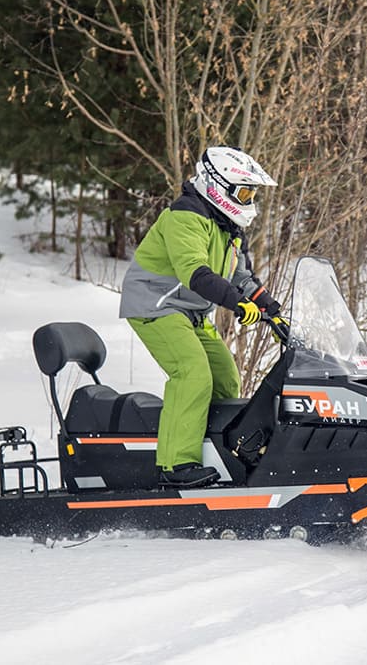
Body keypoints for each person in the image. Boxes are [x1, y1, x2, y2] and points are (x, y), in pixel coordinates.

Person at [119, 146, 285, 489]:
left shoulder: (226, 227)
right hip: (157, 307)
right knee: (192, 373)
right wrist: (237, 305)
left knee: (226, 379)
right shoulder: (185, 216)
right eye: (244, 192)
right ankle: (176, 465)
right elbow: (196, 272)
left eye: (251, 193)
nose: (249, 199)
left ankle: (218, 456)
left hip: (190, 313)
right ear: (217, 186)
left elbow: (240, 276)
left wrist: (271, 310)